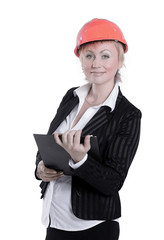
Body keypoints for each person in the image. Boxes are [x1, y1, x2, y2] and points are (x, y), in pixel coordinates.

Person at [35, 18, 142, 240]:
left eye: (105, 55)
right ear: (81, 59)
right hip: (54, 220)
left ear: (119, 60)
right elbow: (48, 144)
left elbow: (113, 182)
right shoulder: (71, 96)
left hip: (92, 227)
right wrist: (40, 168)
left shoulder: (128, 114)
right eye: (89, 55)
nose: (96, 63)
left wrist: (80, 159)